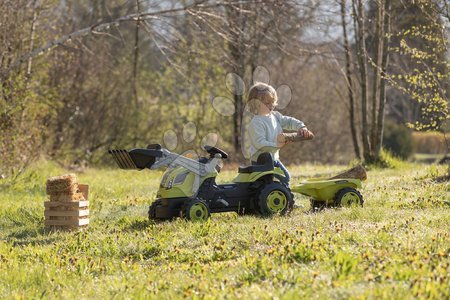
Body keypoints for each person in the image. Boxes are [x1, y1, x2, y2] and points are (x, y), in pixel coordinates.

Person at [245, 82, 314, 187]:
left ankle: (287, 200)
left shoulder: (275, 116)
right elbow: (260, 143)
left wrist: (301, 127)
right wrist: (277, 145)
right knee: (263, 183)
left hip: (274, 159)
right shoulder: (256, 122)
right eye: (267, 103)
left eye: (273, 102)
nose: (271, 105)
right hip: (260, 161)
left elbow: (289, 121)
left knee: (285, 177)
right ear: (256, 104)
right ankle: (263, 199)